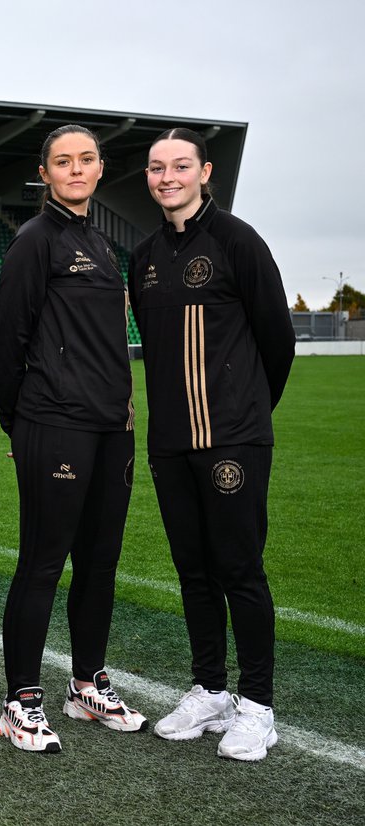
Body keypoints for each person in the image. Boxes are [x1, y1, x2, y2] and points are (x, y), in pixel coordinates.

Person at [129, 127, 294, 762]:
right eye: (155, 167)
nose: (166, 176)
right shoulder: (143, 256)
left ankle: (257, 705)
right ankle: (211, 690)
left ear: (206, 174)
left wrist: (246, 413)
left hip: (233, 439)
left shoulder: (237, 240)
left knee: (240, 570)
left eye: (179, 166)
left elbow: (277, 338)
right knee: (194, 572)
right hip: (171, 443)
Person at [0, 124, 147, 754]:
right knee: (42, 562)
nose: (76, 169)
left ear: (100, 169)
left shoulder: (103, 244)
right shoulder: (35, 240)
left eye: (86, 159)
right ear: (45, 172)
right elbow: (10, 340)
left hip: (113, 426)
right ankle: (20, 699)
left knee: (100, 562)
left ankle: (86, 684)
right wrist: (20, 423)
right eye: (64, 161)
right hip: (54, 423)